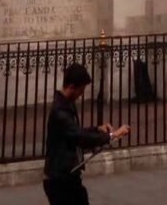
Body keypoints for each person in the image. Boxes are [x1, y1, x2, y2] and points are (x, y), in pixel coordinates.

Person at [43, 62, 129, 205]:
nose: (81, 95)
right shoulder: (60, 111)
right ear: (71, 87)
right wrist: (112, 136)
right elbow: (79, 137)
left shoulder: (66, 105)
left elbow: (75, 131)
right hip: (59, 180)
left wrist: (97, 129)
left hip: (69, 176)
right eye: (81, 91)